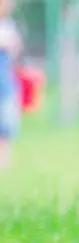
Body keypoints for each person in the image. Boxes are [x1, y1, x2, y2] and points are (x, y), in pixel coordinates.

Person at [0, 0, 21, 169]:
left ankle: (4, 163)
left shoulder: (8, 25)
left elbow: (15, 48)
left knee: (6, 127)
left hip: (5, 85)